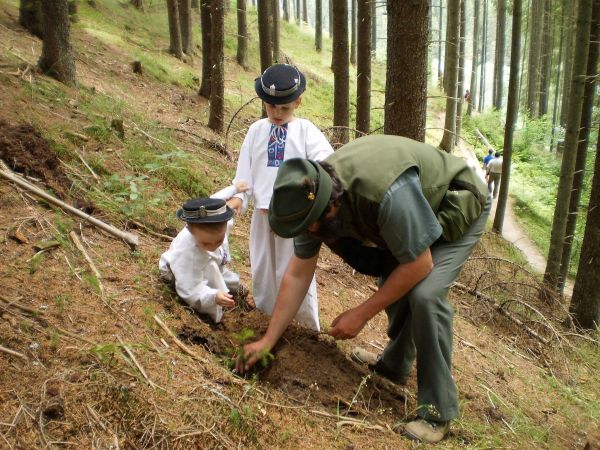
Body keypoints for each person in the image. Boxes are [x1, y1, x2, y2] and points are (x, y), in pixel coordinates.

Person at [236, 135, 491, 444]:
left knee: (424, 294)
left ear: (329, 209)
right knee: (396, 274)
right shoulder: (309, 203)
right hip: (409, 211)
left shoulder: (383, 194)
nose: (305, 235)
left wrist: (360, 314)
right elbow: (297, 275)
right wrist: (267, 340)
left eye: (308, 228)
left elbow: (420, 264)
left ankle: (437, 411)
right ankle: (394, 366)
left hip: (456, 202)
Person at [227, 63, 334, 331]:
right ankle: (265, 319)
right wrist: (241, 196)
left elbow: (328, 165)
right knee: (263, 269)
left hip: (295, 220)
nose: (276, 112)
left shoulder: (306, 131)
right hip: (262, 217)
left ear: (297, 101)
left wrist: (313, 197)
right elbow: (246, 171)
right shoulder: (256, 131)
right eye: (270, 106)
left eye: (284, 107)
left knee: (294, 272)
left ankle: (305, 329)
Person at [159, 197, 250, 323]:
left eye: (219, 241)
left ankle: (234, 289)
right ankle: (216, 316)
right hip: (183, 273)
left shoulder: (220, 226)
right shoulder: (187, 252)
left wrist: (238, 199)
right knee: (212, 273)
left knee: (220, 272)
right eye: (207, 244)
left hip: (213, 265)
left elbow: (222, 204)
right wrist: (213, 296)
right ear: (190, 230)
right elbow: (189, 288)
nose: (213, 246)